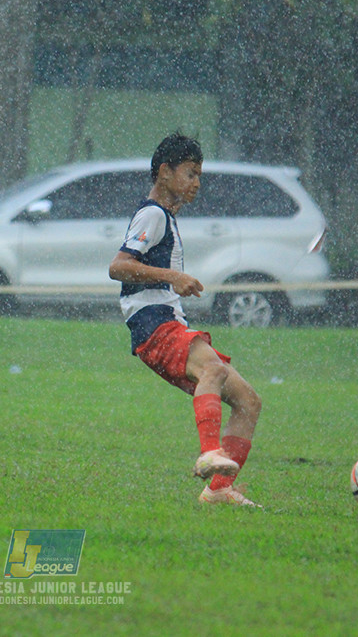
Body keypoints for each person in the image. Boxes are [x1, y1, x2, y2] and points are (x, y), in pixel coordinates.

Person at [108, 132, 263, 506]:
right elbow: (119, 267)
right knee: (215, 370)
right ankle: (210, 452)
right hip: (153, 324)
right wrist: (173, 277)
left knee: (248, 402)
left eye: (199, 175)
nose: (197, 183)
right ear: (164, 172)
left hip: (169, 322)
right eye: (191, 173)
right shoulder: (153, 214)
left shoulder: (168, 218)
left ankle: (219, 490)